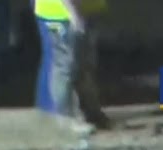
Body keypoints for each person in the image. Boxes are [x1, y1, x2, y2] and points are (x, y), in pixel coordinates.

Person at [33, 0, 110, 128]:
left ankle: (91, 113)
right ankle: (66, 120)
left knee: (84, 65)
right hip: (62, 14)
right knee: (65, 66)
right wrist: (74, 13)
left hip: (85, 10)